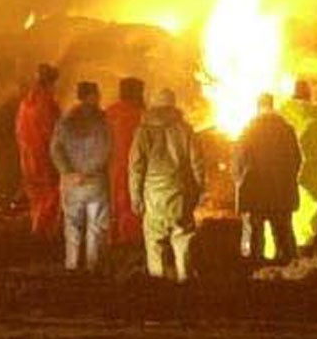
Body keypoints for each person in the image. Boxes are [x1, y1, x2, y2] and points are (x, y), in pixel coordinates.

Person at [129, 88, 207, 281]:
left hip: (153, 197)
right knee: (182, 240)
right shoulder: (185, 130)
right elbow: (197, 163)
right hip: (179, 195)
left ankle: (158, 290)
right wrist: (197, 192)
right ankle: (185, 285)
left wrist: (136, 197)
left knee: (155, 244)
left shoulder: (143, 132)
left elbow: (136, 168)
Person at [49, 80, 113, 272]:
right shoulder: (103, 120)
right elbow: (107, 149)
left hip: (71, 183)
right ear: (91, 96)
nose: (99, 97)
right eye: (97, 94)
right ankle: (92, 268)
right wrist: (90, 170)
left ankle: (72, 267)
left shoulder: (66, 120)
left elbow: (55, 149)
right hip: (95, 181)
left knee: (73, 227)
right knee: (96, 228)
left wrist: (68, 172)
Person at [233, 92, 301, 267]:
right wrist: (288, 179)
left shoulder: (248, 130)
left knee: (255, 234)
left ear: (258, 107)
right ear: (273, 106)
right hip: (282, 192)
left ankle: (256, 271)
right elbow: (297, 159)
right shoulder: (287, 129)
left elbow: (239, 162)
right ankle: (290, 271)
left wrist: (240, 183)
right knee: (284, 232)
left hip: (255, 193)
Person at [279, 78, 317, 251]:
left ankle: (273, 251)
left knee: (280, 210)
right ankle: (302, 250)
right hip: (310, 172)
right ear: (309, 95)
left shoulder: (279, 112)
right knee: (306, 212)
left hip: (282, 171)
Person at [14, 63, 62, 239]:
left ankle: (38, 227)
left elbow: (19, 130)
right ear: (51, 83)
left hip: (28, 155)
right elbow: (53, 131)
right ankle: (43, 233)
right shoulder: (47, 103)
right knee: (51, 194)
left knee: (36, 195)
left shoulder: (26, 103)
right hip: (45, 156)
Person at [106, 76, 147, 249]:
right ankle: (129, 245)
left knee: (114, 205)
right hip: (132, 168)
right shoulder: (139, 116)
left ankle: (112, 243)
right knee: (131, 207)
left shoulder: (109, 113)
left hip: (111, 168)